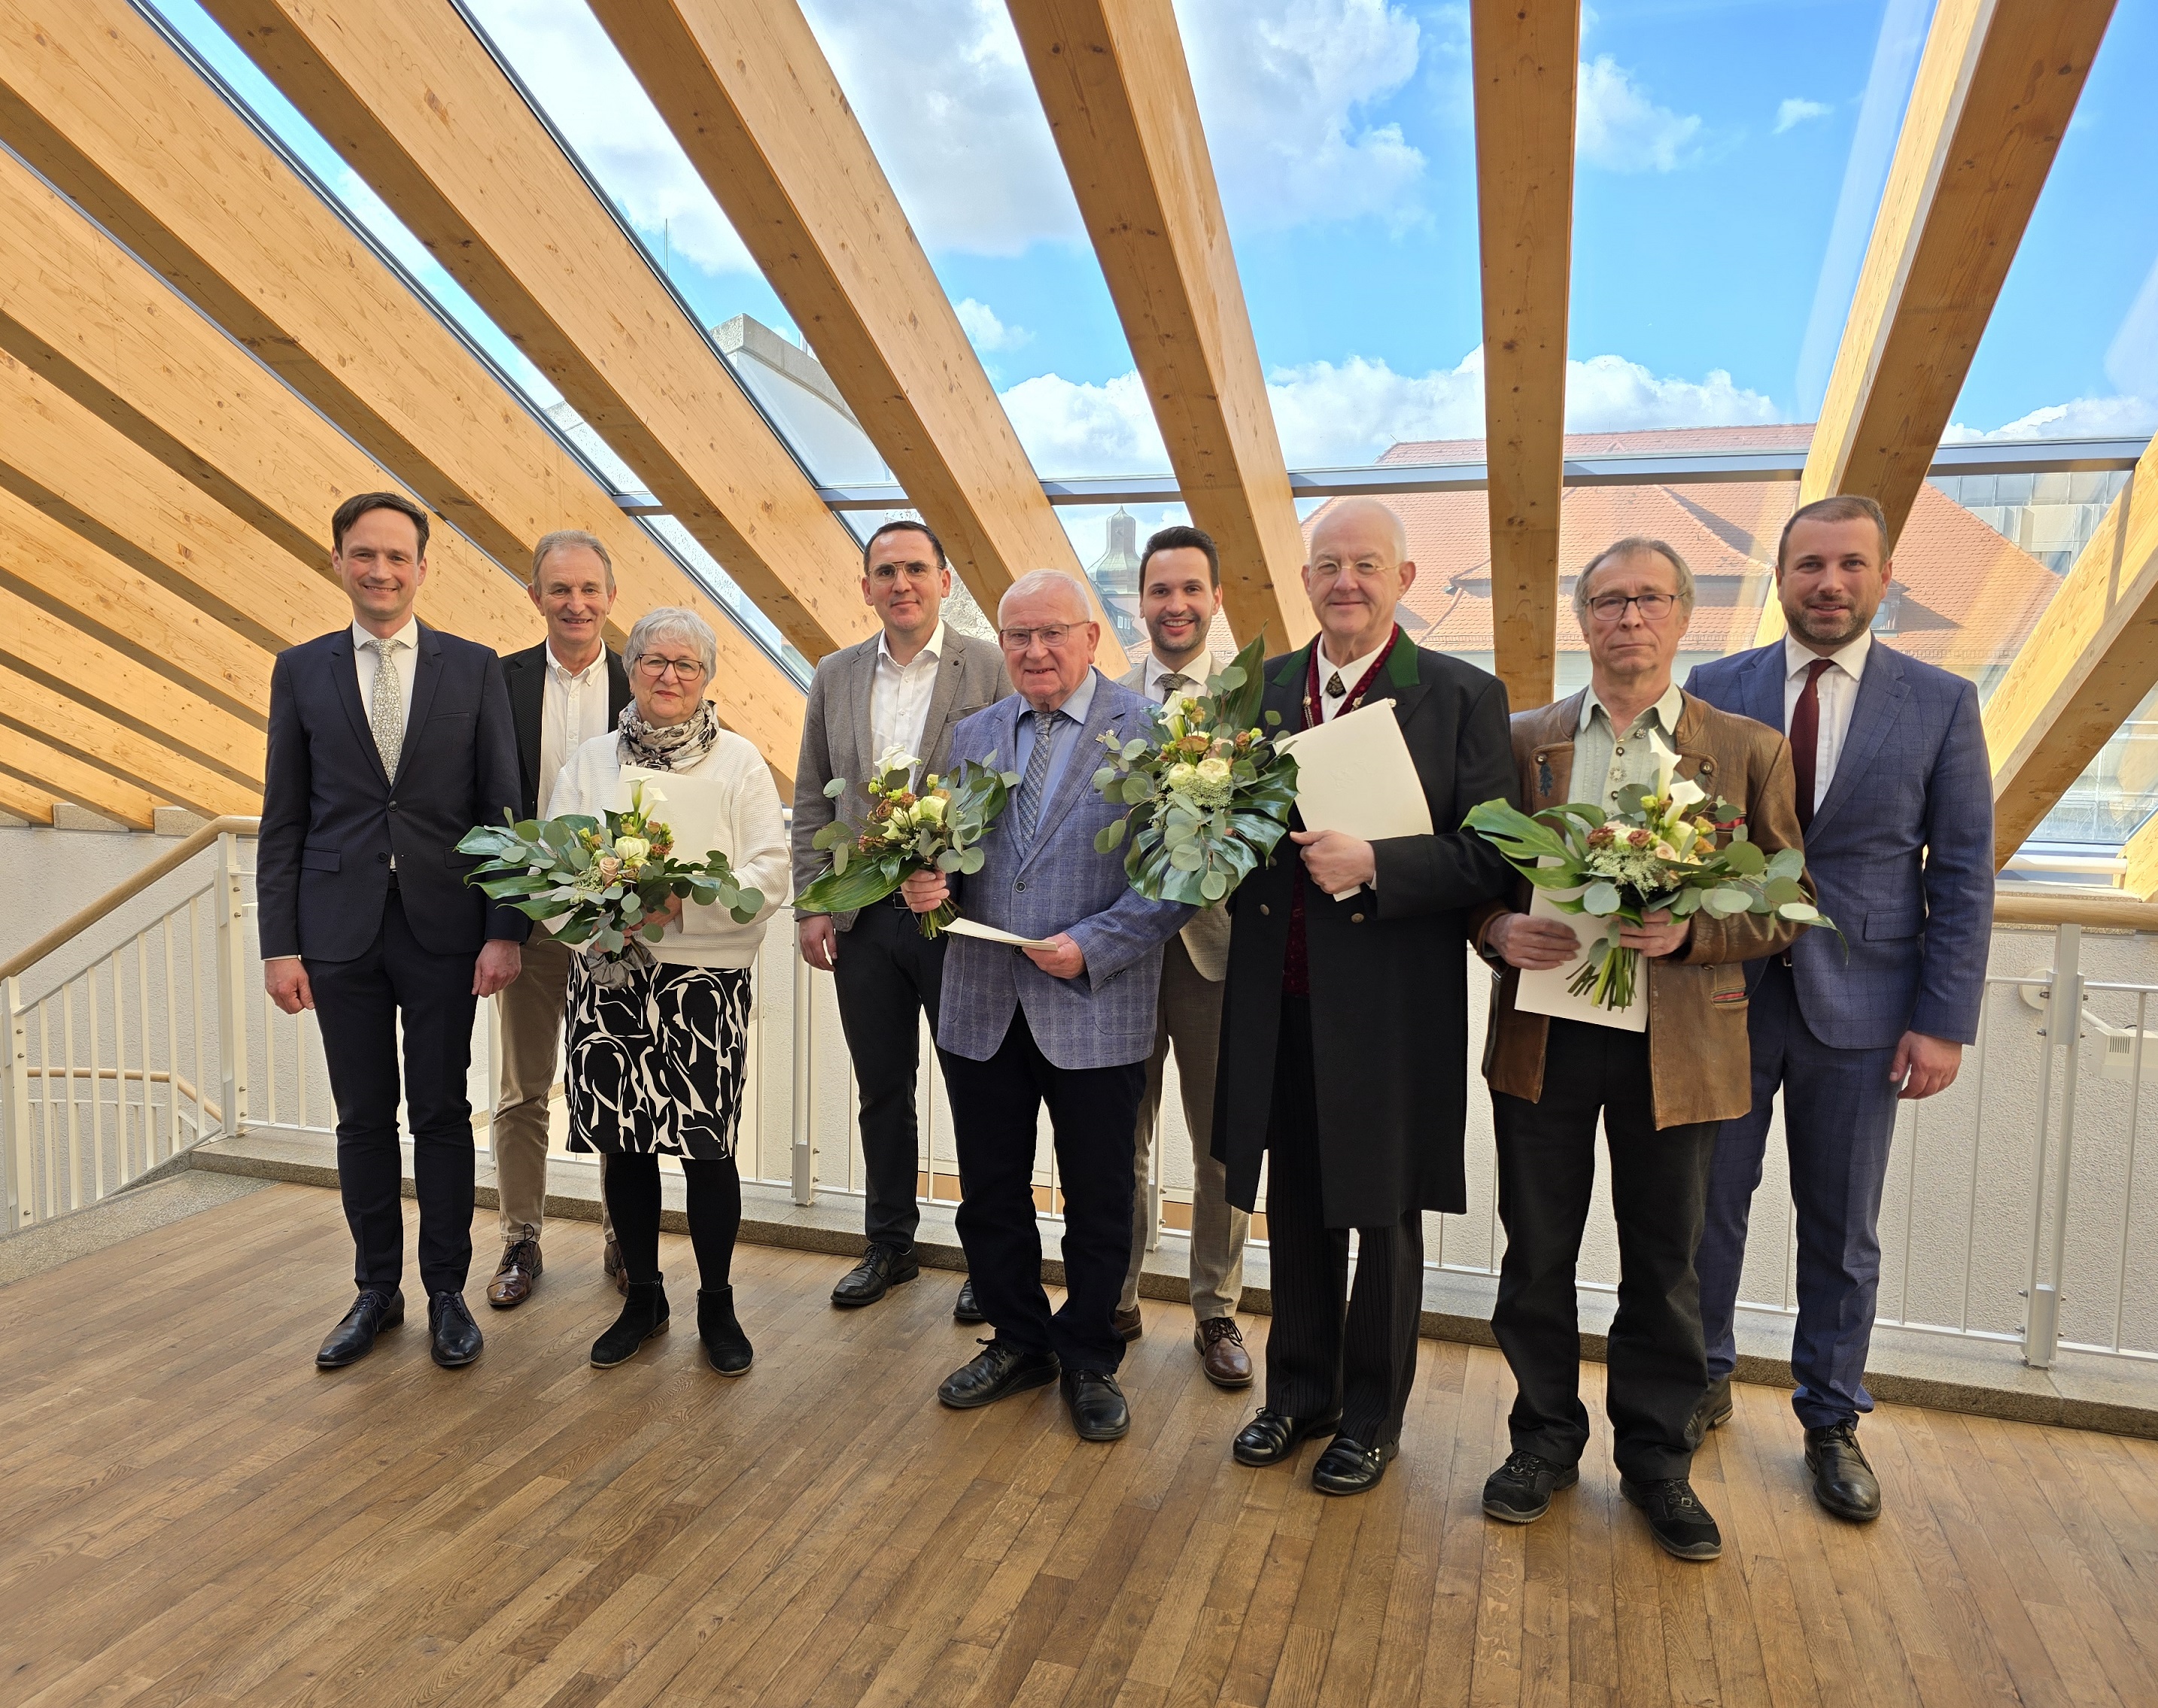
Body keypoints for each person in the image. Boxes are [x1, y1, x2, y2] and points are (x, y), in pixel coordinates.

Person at [1471, 536, 1804, 1562]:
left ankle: (1659, 1461)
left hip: (1682, 1049)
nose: (1629, 617)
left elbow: (1789, 898)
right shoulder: (1522, 742)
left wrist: (1694, 930)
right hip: (1546, 1035)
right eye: (1609, 600)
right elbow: (1470, 875)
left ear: (1682, 615)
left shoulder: (1746, 748)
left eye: (1650, 598)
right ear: (1583, 619)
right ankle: (1542, 1439)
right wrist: (1495, 927)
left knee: (1666, 1266)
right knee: (1537, 1254)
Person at [1685, 494, 1992, 1522]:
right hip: (1726, 994)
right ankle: (1702, 1377)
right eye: (1809, 564)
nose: (1829, 583)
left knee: (1842, 1226)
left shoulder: (1941, 701)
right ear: (1780, 577)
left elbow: (1964, 871)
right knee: (1706, 1208)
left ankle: (1830, 1416)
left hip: (1866, 1006)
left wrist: (1943, 1018)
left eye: (1851, 564)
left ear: (1884, 577)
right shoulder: (1715, 687)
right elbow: (1680, 839)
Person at [1214, 497, 1517, 1496]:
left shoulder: (1464, 695)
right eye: (1328, 565)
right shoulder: (1257, 691)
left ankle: (1374, 1416)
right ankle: (1300, 1392)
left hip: (1389, 1006)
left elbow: (1491, 855)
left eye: (1367, 564)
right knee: (1297, 1198)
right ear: (1306, 580)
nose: (1346, 581)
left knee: (1382, 1211)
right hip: (1279, 996)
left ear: (1404, 579)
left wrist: (1378, 862)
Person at [899, 570, 1191, 1443]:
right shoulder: (973, 733)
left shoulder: (1150, 734)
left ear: (1092, 637)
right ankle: (1019, 1339)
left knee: (1100, 1195)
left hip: (1095, 998)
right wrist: (926, 883)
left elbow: (1179, 874)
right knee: (990, 1189)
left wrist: (1094, 944)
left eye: (1051, 632)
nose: (1034, 650)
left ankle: (1091, 1356)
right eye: (1017, 635)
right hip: (982, 999)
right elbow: (943, 850)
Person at [260, 491, 525, 1372]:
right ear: (337, 560)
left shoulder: (473, 668)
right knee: (362, 1118)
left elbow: (502, 811)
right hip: (336, 933)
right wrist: (278, 943)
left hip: (445, 928)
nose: (381, 571)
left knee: (442, 1112)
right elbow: (284, 817)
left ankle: (447, 1290)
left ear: (422, 567)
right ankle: (376, 1290)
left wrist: (505, 928)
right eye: (364, 555)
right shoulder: (300, 670)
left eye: (397, 556)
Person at [549, 607, 791, 1375]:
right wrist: (602, 906)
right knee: (624, 1144)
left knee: (705, 1148)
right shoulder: (591, 761)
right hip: (611, 973)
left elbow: (770, 873)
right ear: (631, 670)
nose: (669, 676)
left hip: (703, 983)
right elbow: (551, 865)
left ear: (707, 677)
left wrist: (681, 903)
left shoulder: (740, 762)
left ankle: (716, 1303)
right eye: (654, 660)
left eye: (686, 664)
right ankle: (644, 1298)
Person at [792, 520, 1009, 1318]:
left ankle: (991, 1260)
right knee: (882, 1088)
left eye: (916, 568)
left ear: (944, 582)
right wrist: (813, 903)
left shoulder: (989, 665)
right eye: (885, 572)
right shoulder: (835, 673)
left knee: (977, 1090)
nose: (901, 583)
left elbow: (1010, 787)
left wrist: (957, 871)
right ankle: (890, 1244)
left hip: (958, 918)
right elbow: (813, 795)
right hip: (862, 921)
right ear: (867, 588)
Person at [1113, 524, 1251, 1388]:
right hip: (1122, 957)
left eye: (1191, 589)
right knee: (1117, 1138)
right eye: (1161, 590)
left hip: (1216, 952)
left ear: (1216, 598)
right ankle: (1117, 1293)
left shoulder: (1253, 705)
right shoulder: (1106, 701)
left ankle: (1216, 1309)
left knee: (1220, 1148)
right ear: (1141, 603)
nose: (1176, 605)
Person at [486, 530, 633, 1308]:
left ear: (610, 595)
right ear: (535, 594)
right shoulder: (498, 680)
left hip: (620, 920)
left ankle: (623, 1234)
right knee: (523, 1087)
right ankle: (521, 1238)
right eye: (560, 589)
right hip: (532, 914)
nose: (576, 604)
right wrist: (500, 927)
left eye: (589, 589)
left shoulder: (645, 679)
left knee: (616, 1081)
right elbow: (486, 806)